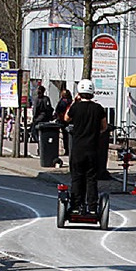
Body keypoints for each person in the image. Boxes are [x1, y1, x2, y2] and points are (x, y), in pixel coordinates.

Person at [64, 78, 108, 214]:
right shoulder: (98, 108)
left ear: (79, 92)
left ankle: (77, 206)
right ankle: (93, 207)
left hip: (78, 149)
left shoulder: (75, 107)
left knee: (77, 177)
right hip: (93, 149)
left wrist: (74, 102)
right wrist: (96, 132)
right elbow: (104, 127)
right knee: (91, 179)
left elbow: (66, 118)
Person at [55, 88, 73, 155]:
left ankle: (67, 149)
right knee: (70, 136)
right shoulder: (71, 101)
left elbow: (58, 111)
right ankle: (70, 149)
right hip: (71, 121)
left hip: (63, 121)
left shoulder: (62, 102)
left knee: (65, 136)